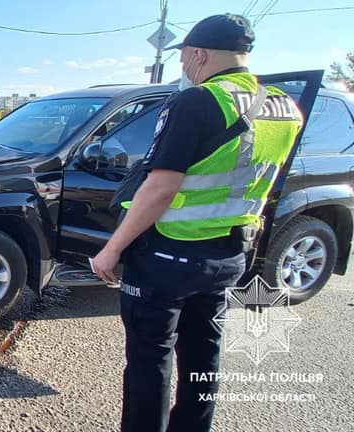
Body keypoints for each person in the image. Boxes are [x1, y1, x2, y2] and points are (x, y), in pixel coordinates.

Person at [90, 14, 304, 432]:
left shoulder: (198, 101)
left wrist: (112, 248)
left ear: (199, 54)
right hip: (229, 253)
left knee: (150, 360)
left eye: (184, 57)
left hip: (170, 252)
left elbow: (161, 188)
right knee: (205, 355)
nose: (183, 66)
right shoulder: (285, 106)